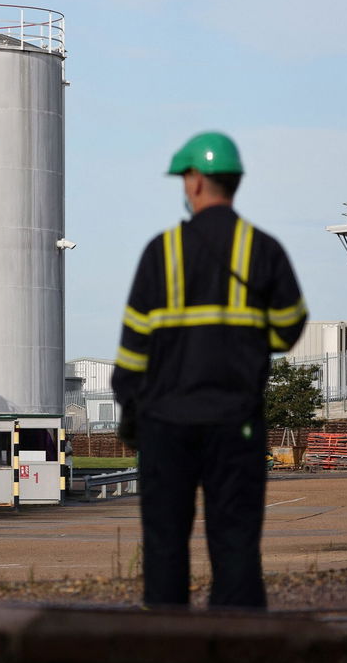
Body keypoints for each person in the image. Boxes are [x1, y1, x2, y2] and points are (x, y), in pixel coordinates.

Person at [111, 131, 307, 609]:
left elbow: (134, 350)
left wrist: (130, 407)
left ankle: (170, 659)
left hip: (166, 424)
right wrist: (248, 342)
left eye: (185, 177)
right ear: (233, 182)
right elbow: (289, 327)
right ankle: (237, 659)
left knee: (164, 545)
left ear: (196, 182)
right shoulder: (263, 249)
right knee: (236, 543)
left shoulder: (162, 252)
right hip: (235, 422)